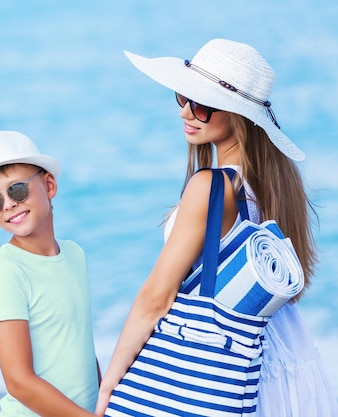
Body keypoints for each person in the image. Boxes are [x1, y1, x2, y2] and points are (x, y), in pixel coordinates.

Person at [95, 39, 338, 416]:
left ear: (238, 115)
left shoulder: (211, 186)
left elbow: (156, 298)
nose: (186, 113)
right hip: (285, 355)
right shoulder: (277, 183)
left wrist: (112, 378)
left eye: (203, 105)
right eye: (183, 97)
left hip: (220, 363)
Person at [0, 131, 100, 416]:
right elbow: (19, 382)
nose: (8, 204)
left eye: (17, 190)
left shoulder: (74, 255)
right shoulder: (6, 271)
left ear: (49, 185)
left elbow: (80, 345)